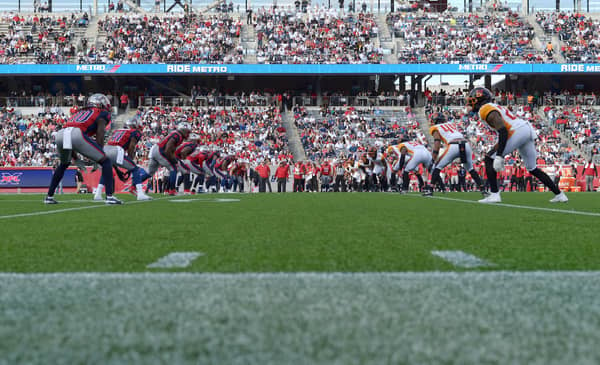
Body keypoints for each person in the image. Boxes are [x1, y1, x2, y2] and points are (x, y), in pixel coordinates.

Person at [466, 87, 568, 203]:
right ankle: (559, 194)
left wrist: (499, 156)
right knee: (532, 168)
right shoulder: (492, 106)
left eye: (473, 100)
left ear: (480, 99)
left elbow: (503, 131)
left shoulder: (485, 109)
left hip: (516, 131)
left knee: (489, 158)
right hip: (525, 129)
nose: (470, 103)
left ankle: (494, 194)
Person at [44, 93, 121, 205]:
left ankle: (49, 197)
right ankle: (109, 196)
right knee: (106, 161)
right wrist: (99, 157)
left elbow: (69, 137)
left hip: (61, 134)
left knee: (63, 164)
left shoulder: (79, 112)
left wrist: (75, 158)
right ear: (101, 103)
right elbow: (100, 134)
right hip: (75, 134)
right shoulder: (102, 113)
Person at [423, 112, 485, 196]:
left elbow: (437, 143)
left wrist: (433, 158)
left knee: (437, 167)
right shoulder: (450, 124)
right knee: (470, 169)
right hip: (465, 144)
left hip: (453, 145)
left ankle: (430, 190)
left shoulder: (435, 127)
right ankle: (483, 189)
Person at [94, 118, 151, 201]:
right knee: (134, 168)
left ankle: (98, 194)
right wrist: (130, 162)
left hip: (105, 149)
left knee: (107, 170)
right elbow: (131, 147)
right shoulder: (135, 132)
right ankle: (140, 194)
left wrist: (117, 170)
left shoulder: (118, 131)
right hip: (116, 150)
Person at [139, 122, 191, 195]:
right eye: (187, 132)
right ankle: (172, 190)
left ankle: (134, 183)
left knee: (150, 173)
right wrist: (173, 160)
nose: (188, 134)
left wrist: (174, 158)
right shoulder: (177, 135)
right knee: (173, 168)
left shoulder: (177, 135)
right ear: (183, 130)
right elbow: (168, 150)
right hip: (160, 150)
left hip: (157, 150)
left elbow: (171, 149)